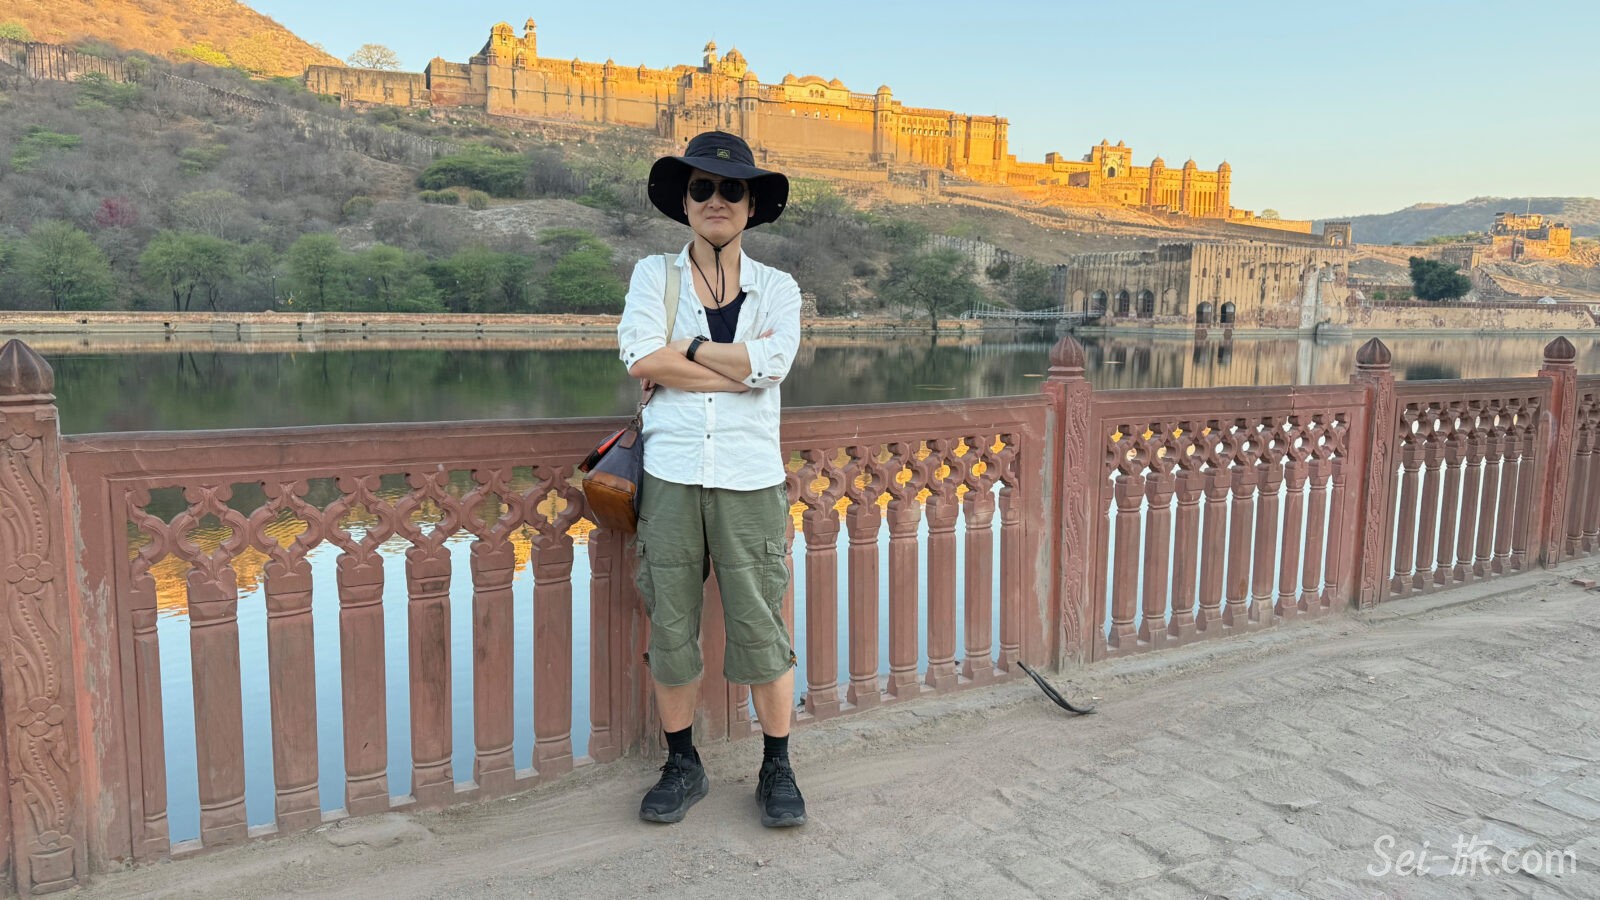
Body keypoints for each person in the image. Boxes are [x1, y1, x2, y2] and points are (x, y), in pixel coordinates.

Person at [616, 131, 805, 827]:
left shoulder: (777, 287)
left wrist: (688, 348)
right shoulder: (654, 276)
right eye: (702, 188)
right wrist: (738, 370)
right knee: (670, 626)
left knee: (760, 625)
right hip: (669, 475)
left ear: (751, 206)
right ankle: (682, 764)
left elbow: (775, 364)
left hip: (749, 479)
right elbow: (642, 358)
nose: (716, 199)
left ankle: (777, 765)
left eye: (731, 189)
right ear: (685, 202)